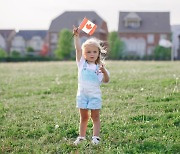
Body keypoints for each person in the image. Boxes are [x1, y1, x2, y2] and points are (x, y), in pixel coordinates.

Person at [73, 26, 110, 145]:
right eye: (88, 52)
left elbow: (106, 80)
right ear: (84, 54)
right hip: (82, 95)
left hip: (94, 96)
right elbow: (78, 49)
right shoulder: (81, 64)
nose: (91, 54)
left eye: (94, 51)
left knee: (95, 117)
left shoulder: (100, 68)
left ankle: (95, 137)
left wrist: (104, 72)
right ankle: (81, 137)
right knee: (83, 117)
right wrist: (77, 36)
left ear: (98, 53)